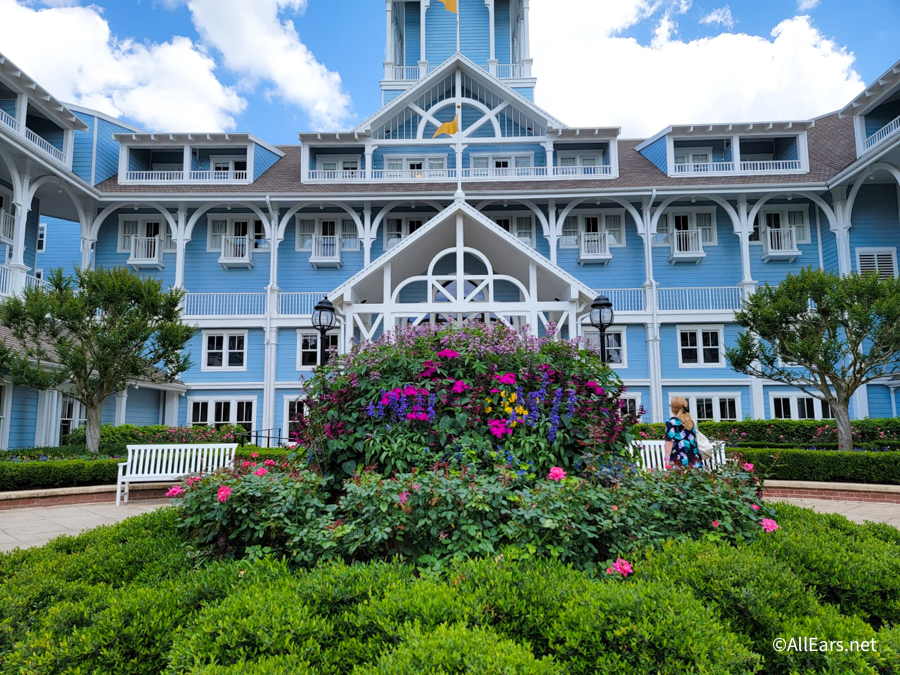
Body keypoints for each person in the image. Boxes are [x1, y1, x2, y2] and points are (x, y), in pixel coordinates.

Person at [664, 396, 702, 468]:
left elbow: (669, 441)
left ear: (672, 408)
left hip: (678, 458)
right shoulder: (690, 420)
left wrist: (667, 458)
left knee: (678, 478)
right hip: (694, 457)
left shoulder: (671, 422)